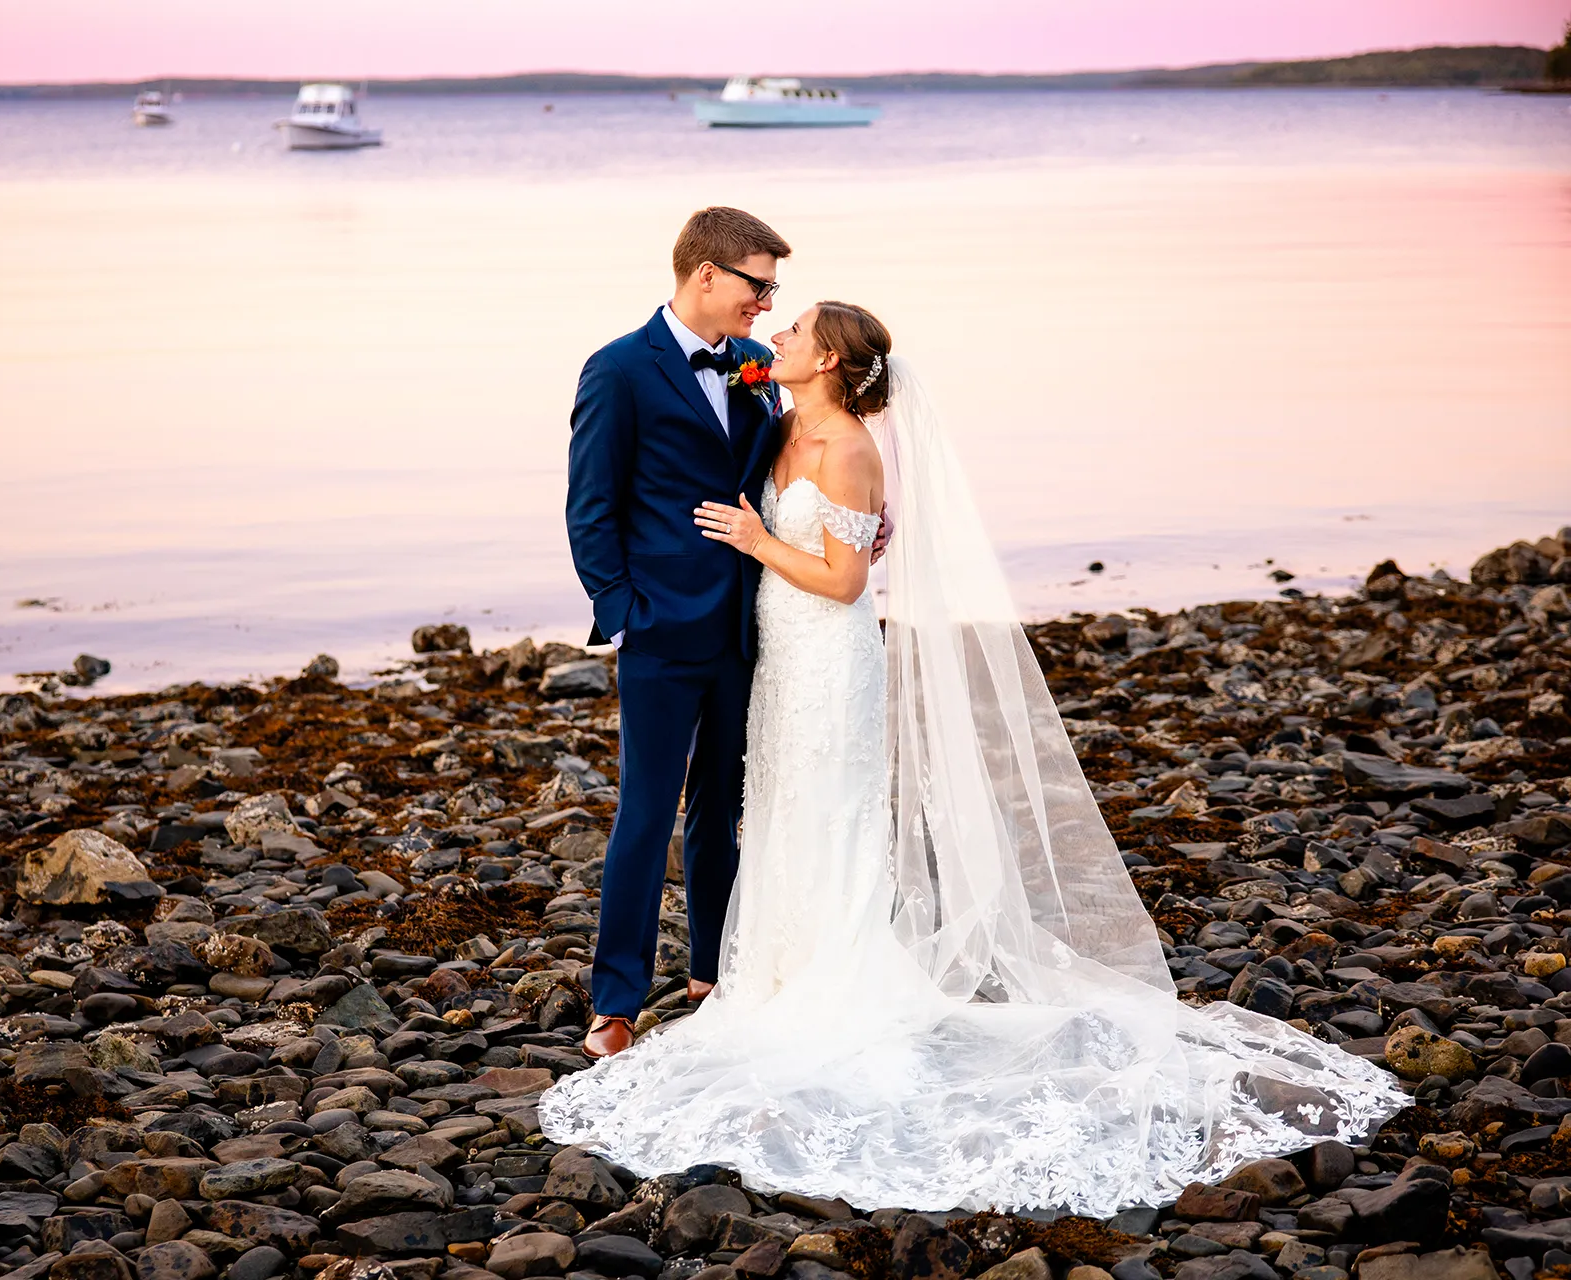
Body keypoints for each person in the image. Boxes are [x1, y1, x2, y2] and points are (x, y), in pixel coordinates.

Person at [541, 299, 1407, 1215]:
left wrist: (774, 539)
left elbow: (841, 578)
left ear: (829, 359)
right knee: (773, 809)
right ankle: (721, 979)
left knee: (812, 811)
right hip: (753, 645)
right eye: (766, 301)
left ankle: (798, 974)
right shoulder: (765, 402)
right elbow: (617, 497)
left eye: (790, 326)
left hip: (824, 655)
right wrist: (634, 602)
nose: (771, 329)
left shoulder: (845, 443)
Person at [565, 206, 814, 1061]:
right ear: (706, 274)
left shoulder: (755, 367)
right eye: (759, 283)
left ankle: (713, 972)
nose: (767, 302)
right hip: (662, 631)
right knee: (644, 813)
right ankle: (616, 1000)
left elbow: (783, 472)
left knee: (723, 812)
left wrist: (848, 527)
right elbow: (590, 508)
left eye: (773, 287)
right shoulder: (620, 370)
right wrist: (625, 610)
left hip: (750, 625)